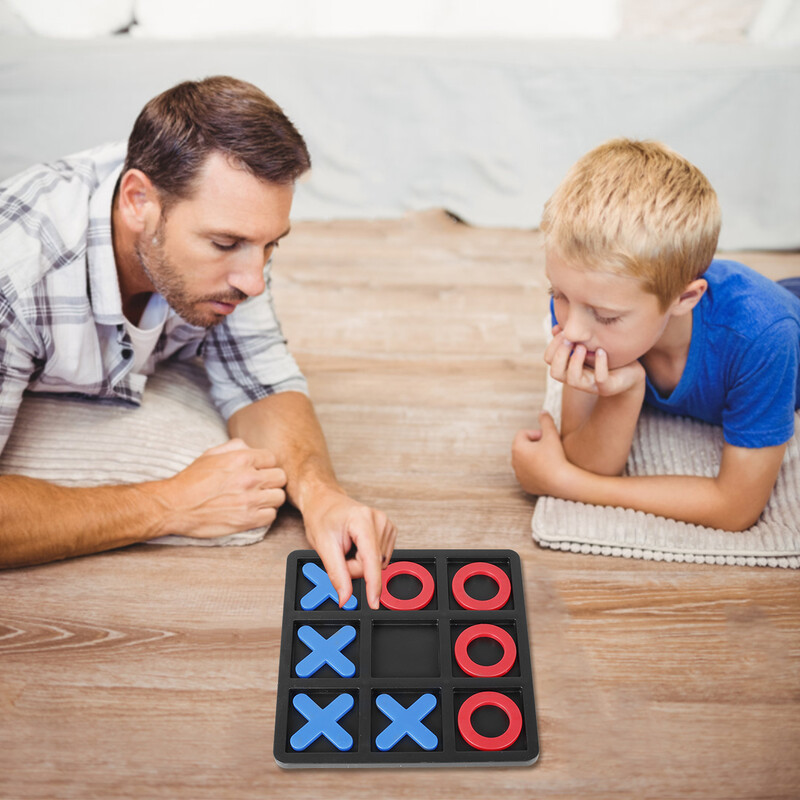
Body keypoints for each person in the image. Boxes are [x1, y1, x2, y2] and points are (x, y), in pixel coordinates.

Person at [0, 76, 396, 606]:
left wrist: (322, 496)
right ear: (138, 200)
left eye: (269, 245)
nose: (254, 280)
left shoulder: (230, 227)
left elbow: (259, 377)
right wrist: (169, 504)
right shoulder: (17, 274)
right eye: (226, 243)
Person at [512, 138, 800, 531]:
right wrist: (624, 394)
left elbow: (736, 508)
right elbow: (590, 460)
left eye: (608, 317)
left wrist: (564, 482)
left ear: (685, 297)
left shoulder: (763, 339)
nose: (573, 330)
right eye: (557, 294)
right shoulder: (584, 302)